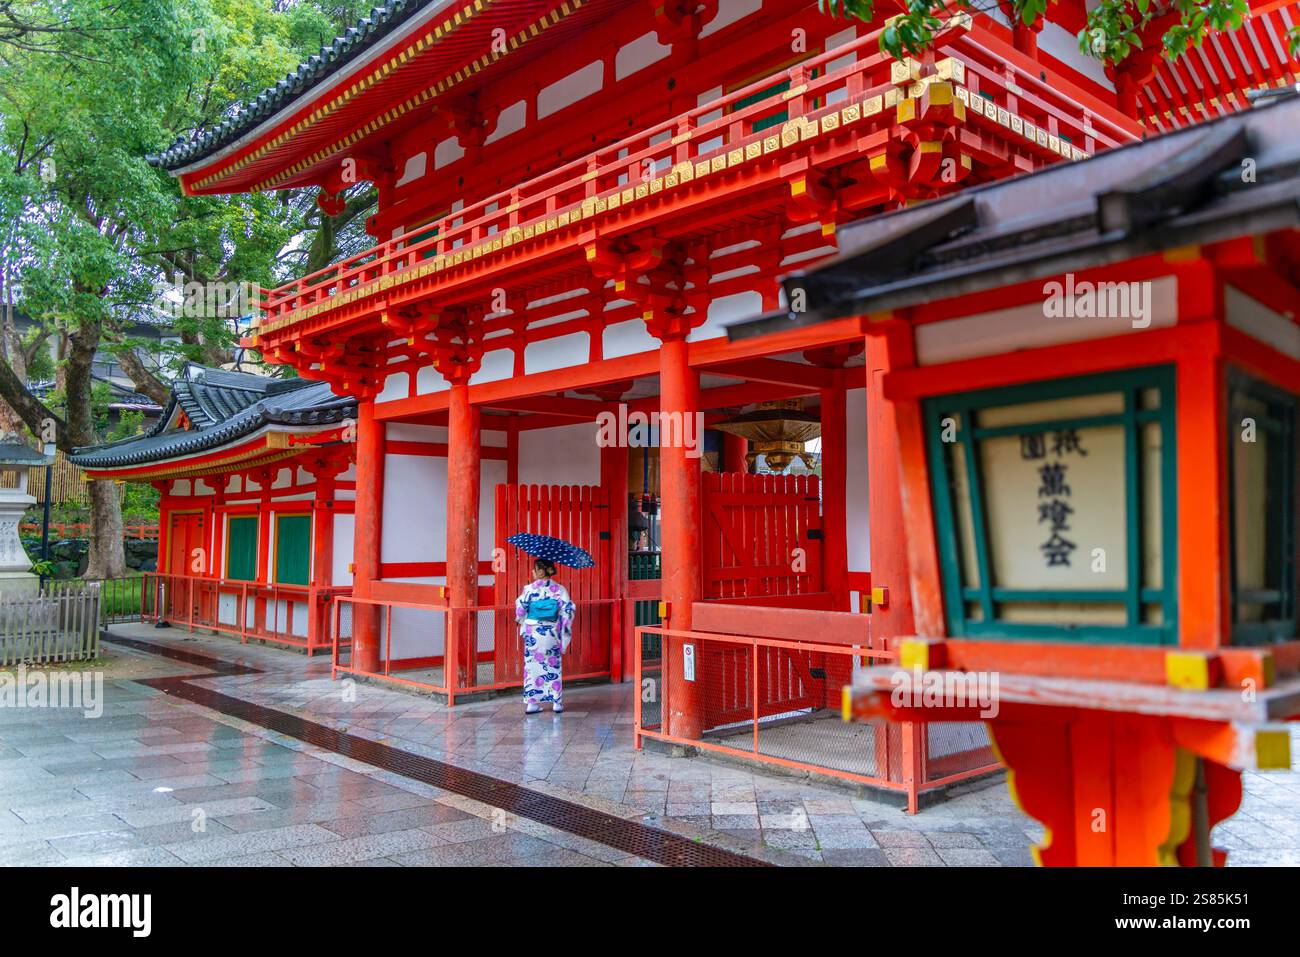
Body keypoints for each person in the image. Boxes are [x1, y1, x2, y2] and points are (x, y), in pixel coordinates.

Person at [515, 558, 575, 714]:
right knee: (552, 666)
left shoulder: (529, 589)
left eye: (534, 569)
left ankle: (532, 704)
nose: (532, 572)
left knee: (532, 668)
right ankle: (556, 703)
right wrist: (561, 626)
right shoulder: (559, 589)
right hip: (551, 632)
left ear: (541, 571)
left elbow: (520, 610)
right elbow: (567, 610)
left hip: (533, 633)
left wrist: (521, 619)